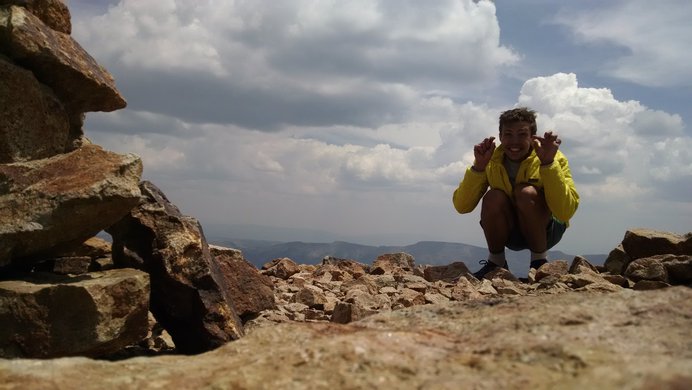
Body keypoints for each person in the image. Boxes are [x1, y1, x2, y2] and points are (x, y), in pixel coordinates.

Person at [452, 107, 579, 279]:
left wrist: (548, 163)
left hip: (546, 230)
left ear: (532, 136)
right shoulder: (491, 160)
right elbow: (462, 206)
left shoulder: (553, 157)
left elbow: (565, 212)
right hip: (509, 231)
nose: (514, 141)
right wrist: (478, 168)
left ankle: (539, 264)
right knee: (493, 197)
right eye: (508, 134)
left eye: (522, 134)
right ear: (500, 136)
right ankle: (496, 264)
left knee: (526, 193)